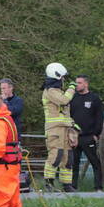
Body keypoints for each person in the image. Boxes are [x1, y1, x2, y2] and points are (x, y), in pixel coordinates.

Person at [41, 62, 78, 192]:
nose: (64, 80)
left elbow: (64, 113)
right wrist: (72, 87)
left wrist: (72, 125)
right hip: (54, 130)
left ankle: (67, 185)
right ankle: (49, 183)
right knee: (55, 155)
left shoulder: (58, 91)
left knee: (67, 158)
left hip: (64, 129)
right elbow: (64, 100)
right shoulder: (50, 91)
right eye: (62, 78)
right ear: (57, 77)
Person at [69, 75, 104, 191]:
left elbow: (99, 117)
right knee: (74, 163)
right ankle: (73, 187)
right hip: (74, 137)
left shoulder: (94, 98)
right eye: (76, 83)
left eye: (79, 83)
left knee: (95, 162)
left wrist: (96, 134)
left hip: (88, 136)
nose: (76, 85)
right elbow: (68, 117)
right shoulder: (73, 98)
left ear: (86, 84)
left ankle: (98, 187)